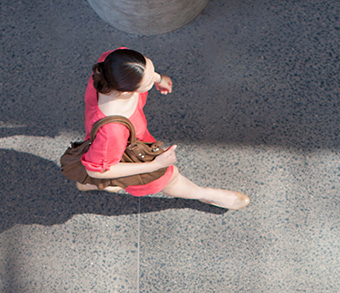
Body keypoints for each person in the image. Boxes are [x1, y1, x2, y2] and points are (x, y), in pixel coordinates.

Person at [77, 48, 250, 210]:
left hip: (116, 143)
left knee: (103, 159)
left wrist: (158, 78)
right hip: (130, 154)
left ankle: (97, 183)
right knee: (169, 177)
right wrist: (154, 165)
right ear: (125, 92)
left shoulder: (114, 63)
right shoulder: (112, 130)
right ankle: (205, 195)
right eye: (147, 83)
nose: (154, 79)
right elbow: (97, 169)